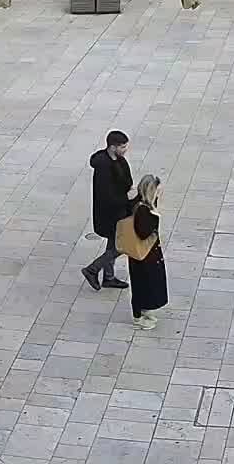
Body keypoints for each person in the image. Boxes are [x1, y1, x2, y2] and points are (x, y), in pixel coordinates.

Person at [80, 130, 135, 291]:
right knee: (121, 245)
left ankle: (108, 277)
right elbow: (107, 196)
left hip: (119, 210)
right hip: (111, 213)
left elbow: (126, 181)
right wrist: (129, 198)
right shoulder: (103, 167)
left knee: (113, 244)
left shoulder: (119, 160)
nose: (125, 149)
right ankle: (93, 269)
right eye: (122, 146)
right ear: (112, 147)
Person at [127, 175, 168, 329]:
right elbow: (144, 233)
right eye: (157, 191)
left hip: (145, 254)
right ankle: (140, 316)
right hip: (144, 255)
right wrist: (155, 218)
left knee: (145, 282)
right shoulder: (142, 210)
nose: (159, 194)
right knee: (144, 283)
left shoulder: (142, 204)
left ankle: (144, 311)